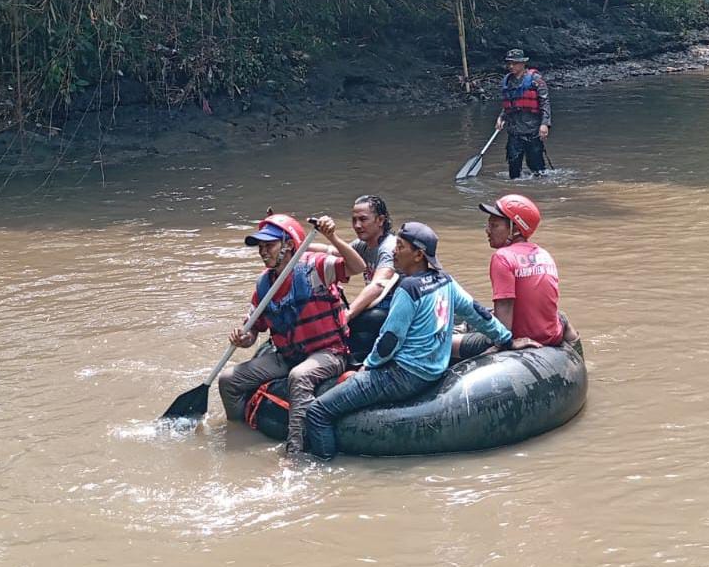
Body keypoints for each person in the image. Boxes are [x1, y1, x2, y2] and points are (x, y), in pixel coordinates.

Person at [305, 222, 539, 460]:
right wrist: (507, 339)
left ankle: (324, 470)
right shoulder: (444, 280)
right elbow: (478, 313)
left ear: (418, 255)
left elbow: (389, 341)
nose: (394, 252)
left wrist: (367, 367)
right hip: (433, 369)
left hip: (402, 375)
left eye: (400, 246)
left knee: (317, 412)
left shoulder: (408, 289)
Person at [218, 212, 366, 454]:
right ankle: (238, 435)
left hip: (329, 353)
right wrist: (243, 339)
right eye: (261, 247)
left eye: (269, 245)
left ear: (288, 246)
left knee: (299, 376)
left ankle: (295, 451)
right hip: (286, 355)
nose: (263, 252)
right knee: (228, 380)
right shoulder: (264, 285)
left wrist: (333, 237)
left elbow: (358, 266)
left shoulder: (315, 268)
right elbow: (254, 332)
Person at [452, 194, 582, 361]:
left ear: (515, 229)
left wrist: (501, 345)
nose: (487, 230)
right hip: (550, 336)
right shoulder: (544, 254)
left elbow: (505, 305)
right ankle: (580, 365)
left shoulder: (502, 257)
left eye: (494, 225)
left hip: (518, 338)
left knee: (445, 344)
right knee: (562, 317)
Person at [314, 195, 399, 322]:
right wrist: (296, 246)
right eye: (354, 220)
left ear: (380, 220)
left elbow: (378, 285)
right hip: (377, 304)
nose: (357, 225)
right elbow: (330, 251)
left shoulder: (389, 247)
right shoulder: (363, 244)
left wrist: (348, 314)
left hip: (393, 308)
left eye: (363, 219)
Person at [496, 48, 551, 179]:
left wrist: (545, 124)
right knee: (513, 169)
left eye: (514, 63)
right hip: (514, 131)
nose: (511, 66)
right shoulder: (508, 81)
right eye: (509, 63)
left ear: (523, 63)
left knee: (537, 168)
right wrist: (501, 117)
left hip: (532, 131)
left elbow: (545, 103)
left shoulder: (535, 80)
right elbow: (509, 103)